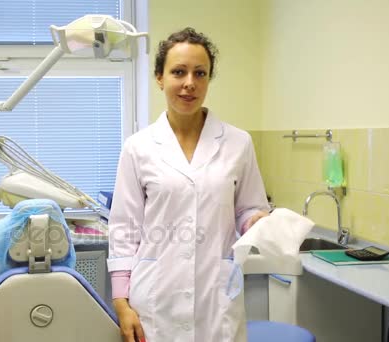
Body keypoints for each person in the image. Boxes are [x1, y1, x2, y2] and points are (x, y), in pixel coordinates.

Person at [106, 28, 270, 342]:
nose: (189, 83)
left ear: (209, 79)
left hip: (215, 298)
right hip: (155, 301)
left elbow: (250, 207)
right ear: (159, 78)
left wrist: (254, 221)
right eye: (178, 72)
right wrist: (121, 303)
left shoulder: (238, 143)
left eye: (200, 73)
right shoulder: (138, 147)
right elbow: (124, 228)